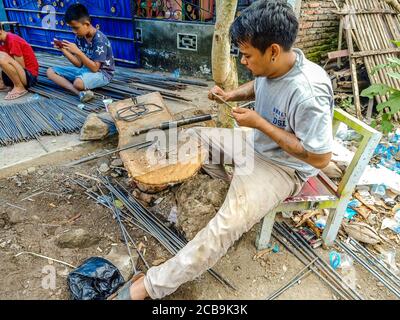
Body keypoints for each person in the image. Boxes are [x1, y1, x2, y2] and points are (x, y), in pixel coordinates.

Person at [110, 0, 334, 300]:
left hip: (283, 167)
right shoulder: (274, 66)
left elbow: (320, 157)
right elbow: (259, 86)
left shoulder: (308, 93)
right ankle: (226, 190)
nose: (243, 62)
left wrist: (260, 124)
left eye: (246, 56)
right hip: (255, 145)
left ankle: (148, 287)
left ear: (273, 51)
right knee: (196, 135)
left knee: (222, 229)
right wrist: (231, 94)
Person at [46, 4, 115, 103]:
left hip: (102, 74)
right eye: (71, 28)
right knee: (50, 71)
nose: (74, 31)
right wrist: (63, 50)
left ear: (86, 24)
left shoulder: (99, 40)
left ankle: (80, 86)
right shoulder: (79, 37)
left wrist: (77, 52)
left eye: (76, 28)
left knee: (78, 83)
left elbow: (95, 68)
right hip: (85, 70)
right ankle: (79, 93)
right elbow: (78, 63)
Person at [0, 25, 39, 100]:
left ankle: (19, 87)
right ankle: (2, 84)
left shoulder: (12, 40)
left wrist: (7, 58)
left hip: (29, 76)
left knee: (2, 57)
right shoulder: (1, 41)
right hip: (16, 74)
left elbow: (22, 66)